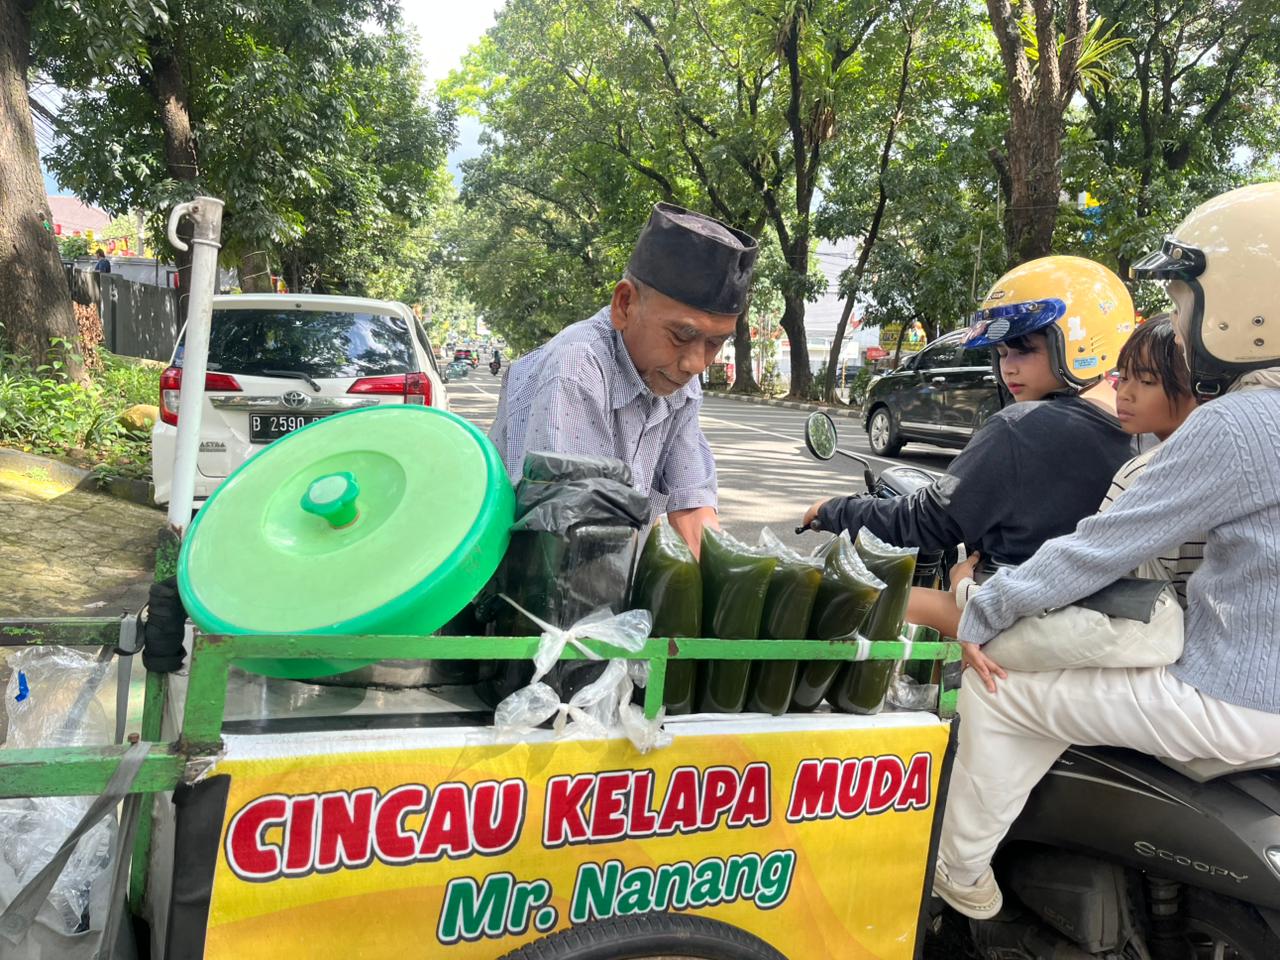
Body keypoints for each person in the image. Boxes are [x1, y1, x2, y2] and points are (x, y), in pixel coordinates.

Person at [932, 181, 1280, 920]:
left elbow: (1101, 550)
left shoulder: (1245, 422)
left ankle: (957, 878)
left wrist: (981, 610)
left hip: (1238, 703)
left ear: (1244, 303)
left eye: (1186, 301)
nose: (1181, 325)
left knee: (1004, 695)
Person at [802, 256, 1135, 569]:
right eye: (1002, 353)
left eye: (1024, 350)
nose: (1008, 369)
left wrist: (833, 510)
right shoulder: (1139, 428)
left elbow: (928, 522)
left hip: (1009, 612)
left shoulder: (1020, 429)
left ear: (1080, 343)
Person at [906, 315, 1200, 639]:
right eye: (1123, 377)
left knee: (906, 603)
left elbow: (1080, 568)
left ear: (1197, 388)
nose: (1124, 394)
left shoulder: (1150, 471)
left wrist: (966, 591)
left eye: (1145, 381)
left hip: (1128, 633)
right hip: (1153, 628)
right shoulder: (1178, 456)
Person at [490, 203, 758, 555]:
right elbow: (572, 541)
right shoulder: (577, 368)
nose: (696, 363)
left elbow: (693, 510)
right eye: (681, 335)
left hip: (604, 576)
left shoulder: (680, 383)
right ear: (624, 304)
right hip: (537, 583)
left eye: (714, 343)